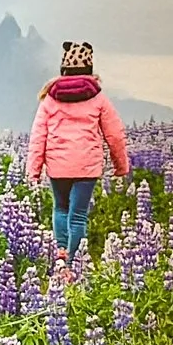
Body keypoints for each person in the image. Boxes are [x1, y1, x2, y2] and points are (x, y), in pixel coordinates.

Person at [28, 40, 129, 278]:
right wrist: (120, 164)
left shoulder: (50, 98)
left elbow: (38, 135)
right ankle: (74, 263)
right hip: (87, 167)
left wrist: (33, 169)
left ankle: (61, 257)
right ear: (90, 68)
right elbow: (115, 134)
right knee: (78, 215)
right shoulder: (98, 98)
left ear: (63, 69)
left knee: (61, 209)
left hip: (58, 167)